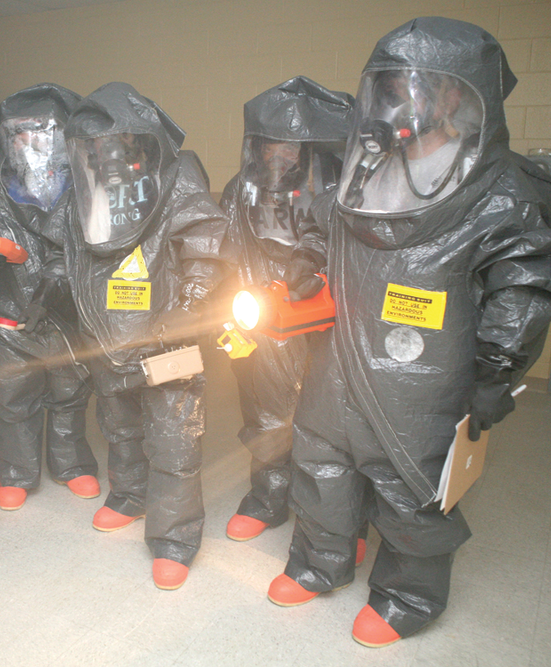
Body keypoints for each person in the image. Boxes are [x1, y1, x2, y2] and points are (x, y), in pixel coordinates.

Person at [266, 18, 551, 647]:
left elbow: (525, 284)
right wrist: (302, 265)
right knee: (320, 454)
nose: (394, 104)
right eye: (387, 88)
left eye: (412, 88)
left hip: (426, 370)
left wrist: (496, 369)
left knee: (410, 480)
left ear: (459, 96)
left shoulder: (503, 188)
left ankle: (409, 594)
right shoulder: (366, 167)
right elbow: (324, 226)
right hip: (342, 354)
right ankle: (322, 559)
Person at [59, 82, 234, 590]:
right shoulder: (84, 185)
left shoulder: (177, 175)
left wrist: (188, 307)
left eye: (113, 143)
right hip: (109, 334)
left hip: (166, 333)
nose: (103, 154)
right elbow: (72, 251)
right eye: (92, 147)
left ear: (139, 141)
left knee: (173, 437)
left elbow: (204, 238)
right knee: (120, 426)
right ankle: (131, 496)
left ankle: (174, 539)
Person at [0, 83, 99, 512]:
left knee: (70, 390)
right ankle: (16, 471)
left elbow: (100, 242)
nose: (27, 142)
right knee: (12, 393)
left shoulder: (88, 182)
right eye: (18, 132)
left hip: (68, 310)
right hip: (6, 311)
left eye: (39, 132)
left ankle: (70, 465)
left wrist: (59, 278)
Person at [218, 76, 355, 543]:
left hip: (331, 309)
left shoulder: (342, 182)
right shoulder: (242, 189)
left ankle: (343, 518)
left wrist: (312, 266)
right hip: (265, 307)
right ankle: (269, 497)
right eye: (270, 144)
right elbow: (229, 251)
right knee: (267, 410)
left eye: (291, 146)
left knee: (335, 420)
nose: (279, 156)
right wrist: (229, 311)